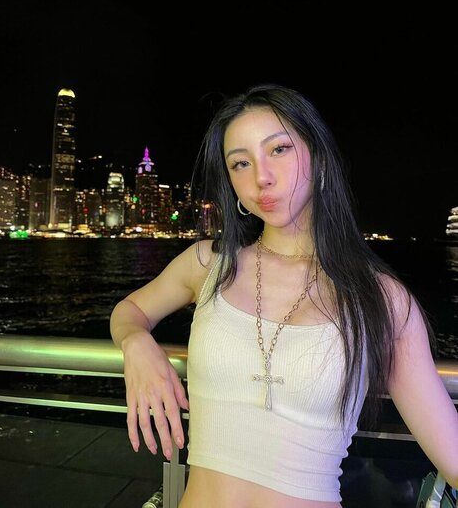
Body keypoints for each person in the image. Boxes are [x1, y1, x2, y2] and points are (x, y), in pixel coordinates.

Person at [109, 83, 458, 508]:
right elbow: (130, 309)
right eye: (240, 163)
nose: (262, 178)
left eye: (279, 150)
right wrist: (136, 342)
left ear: (319, 158)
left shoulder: (380, 299)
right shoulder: (209, 263)